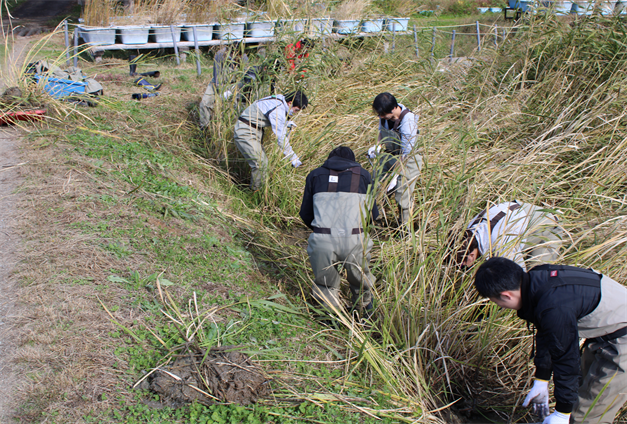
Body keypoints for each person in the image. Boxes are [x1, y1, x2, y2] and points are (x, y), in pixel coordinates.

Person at [474, 257, 627, 424]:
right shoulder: (538, 278)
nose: (501, 307)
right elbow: (548, 332)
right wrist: (542, 379)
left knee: (588, 415)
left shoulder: (554, 307)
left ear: (506, 296)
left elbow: (567, 359)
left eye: (497, 303)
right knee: (580, 395)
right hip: (607, 332)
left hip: (621, 342)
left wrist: (562, 413)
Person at [299, 146, 379, 314]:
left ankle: (329, 321)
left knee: (325, 285)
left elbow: (305, 213)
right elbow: (373, 214)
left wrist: (321, 231)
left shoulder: (315, 174)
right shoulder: (364, 175)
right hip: (355, 238)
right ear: (353, 161)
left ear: (329, 159)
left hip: (323, 239)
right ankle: (364, 317)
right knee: (361, 283)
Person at [454, 201, 564, 271]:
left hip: (551, 225)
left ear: (472, 255)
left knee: (537, 278)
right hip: (529, 213)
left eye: (462, 266)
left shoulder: (499, 245)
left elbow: (520, 276)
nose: (463, 268)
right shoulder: (472, 227)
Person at [233, 91, 307, 190]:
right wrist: (293, 158)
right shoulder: (278, 109)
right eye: (296, 110)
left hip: (253, 130)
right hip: (245, 131)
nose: (295, 113)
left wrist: (286, 123)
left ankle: (258, 189)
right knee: (261, 164)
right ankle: (255, 193)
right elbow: (281, 138)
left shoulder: (280, 99)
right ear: (290, 103)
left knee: (263, 164)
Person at [368, 92, 423, 226]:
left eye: (383, 114)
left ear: (393, 108)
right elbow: (382, 132)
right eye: (379, 114)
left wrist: (394, 177)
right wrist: (378, 146)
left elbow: (406, 153)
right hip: (391, 155)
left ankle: (405, 228)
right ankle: (377, 219)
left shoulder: (407, 121)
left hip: (408, 161)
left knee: (402, 194)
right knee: (375, 183)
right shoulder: (384, 116)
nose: (380, 117)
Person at [199, 46, 249, 129]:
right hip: (218, 82)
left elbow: (244, 77)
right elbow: (217, 75)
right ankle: (204, 128)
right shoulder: (220, 55)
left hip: (235, 83)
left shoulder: (244, 58)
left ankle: (233, 127)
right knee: (204, 103)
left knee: (234, 105)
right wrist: (221, 91)